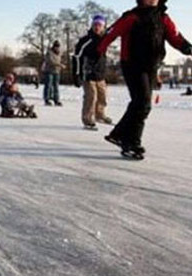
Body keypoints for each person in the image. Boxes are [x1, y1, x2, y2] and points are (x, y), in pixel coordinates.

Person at [98, 0, 191, 159]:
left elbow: (174, 36)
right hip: (132, 63)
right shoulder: (132, 17)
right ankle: (131, 142)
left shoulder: (163, 18)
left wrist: (186, 47)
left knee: (139, 102)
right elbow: (112, 33)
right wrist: (98, 49)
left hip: (151, 66)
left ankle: (119, 134)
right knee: (143, 102)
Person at [73, 15, 114, 131]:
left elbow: (114, 30)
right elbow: (76, 57)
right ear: (92, 25)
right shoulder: (86, 40)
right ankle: (87, 119)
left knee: (102, 97)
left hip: (100, 74)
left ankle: (99, 115)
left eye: (99, 25)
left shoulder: (104, 39)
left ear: (103, 27)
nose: (97, 27)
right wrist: (76, 74)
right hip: (88, 74)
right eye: (95, 25)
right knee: (91, 97)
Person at [42, 40, 64, 106]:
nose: (57, 48)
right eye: (56, 46)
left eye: (58, 46)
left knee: (56, 86)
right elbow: (50, 61)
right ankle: (47, 99)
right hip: (49, 71)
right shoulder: (49, 53)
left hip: (57, 72)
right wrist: (59, 65)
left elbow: (59, 60)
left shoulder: (59, 53)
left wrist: (60, 66)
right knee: (48, 85)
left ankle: (56, 99)